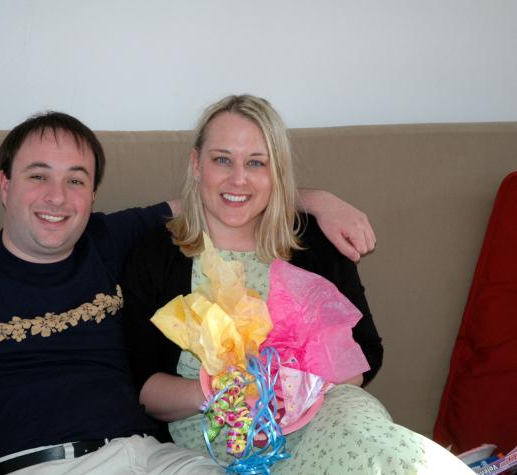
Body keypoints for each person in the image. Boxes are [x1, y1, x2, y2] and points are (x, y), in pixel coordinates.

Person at [0, 110, 378, 475]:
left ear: (92, 195)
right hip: (39, 464)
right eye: (38, 176)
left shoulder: (109, 241)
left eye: (76, 180)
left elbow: (225, 197)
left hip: (156, 460)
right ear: (5, 185)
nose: (57, 198)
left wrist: (318, 200)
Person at [121, 94, 474, 473]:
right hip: (213, 441)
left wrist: (296, 388)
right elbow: (142, 389)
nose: (238, 178)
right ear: (196, 165)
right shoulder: (156, 255)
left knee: (386, 455)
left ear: (277, 172)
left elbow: (366, 352)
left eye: (256, 163)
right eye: (222, 159)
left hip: (326, 419)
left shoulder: (315, 245)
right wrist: (218, 392)